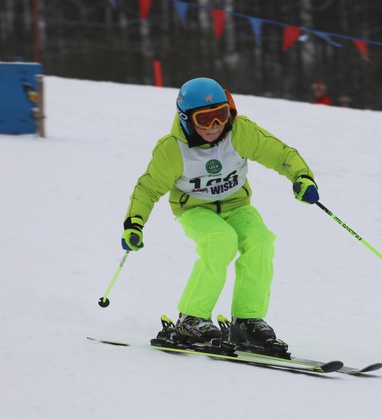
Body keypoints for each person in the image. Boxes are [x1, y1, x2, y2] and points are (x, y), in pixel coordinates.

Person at [121, 77, 319, 354]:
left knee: (261, 240)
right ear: (187, 119)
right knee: (220, 240)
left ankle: (247, 321)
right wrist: (135, 224)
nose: (215, 126)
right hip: (194, 208)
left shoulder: (240, 132)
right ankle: (191, 319)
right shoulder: (172, 149)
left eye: (220, 116)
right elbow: (148, 188)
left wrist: (302, 177)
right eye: (205, 119)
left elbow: (281, 154)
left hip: (236, 204)